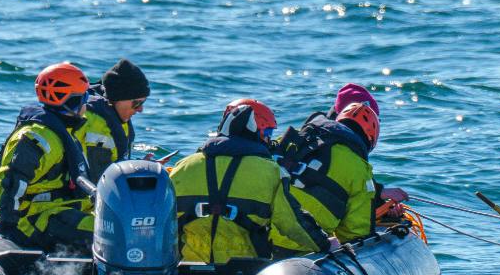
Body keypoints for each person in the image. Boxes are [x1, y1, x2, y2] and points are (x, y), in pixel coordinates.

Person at [170, 99, 328, 264]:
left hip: (186, 274)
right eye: (268, 134)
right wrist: (324, 244)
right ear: (257, 134)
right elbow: (293, 223)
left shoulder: (183, 166)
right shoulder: (271, 171)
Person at [272, 96, 406, 252]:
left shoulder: (291, 139)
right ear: (370, 139)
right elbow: (355, 233)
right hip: (301, 251)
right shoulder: (359, 169)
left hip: (255, 239)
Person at [0, 62, 95, 253]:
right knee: (107, 234)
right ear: (72, 102)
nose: (86, 105)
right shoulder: (36, 138)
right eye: (84, 98)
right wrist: (13, 228)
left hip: (62, 209)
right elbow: (11, 183)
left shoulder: (62, 130)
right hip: (36, 219)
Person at [77, 58, 149, 181]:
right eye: (136, 103)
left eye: (143, 102)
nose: (140, 109)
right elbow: (101, 179)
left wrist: (142, 166)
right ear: (117, 99)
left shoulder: (115, 115)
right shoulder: (96, 125)